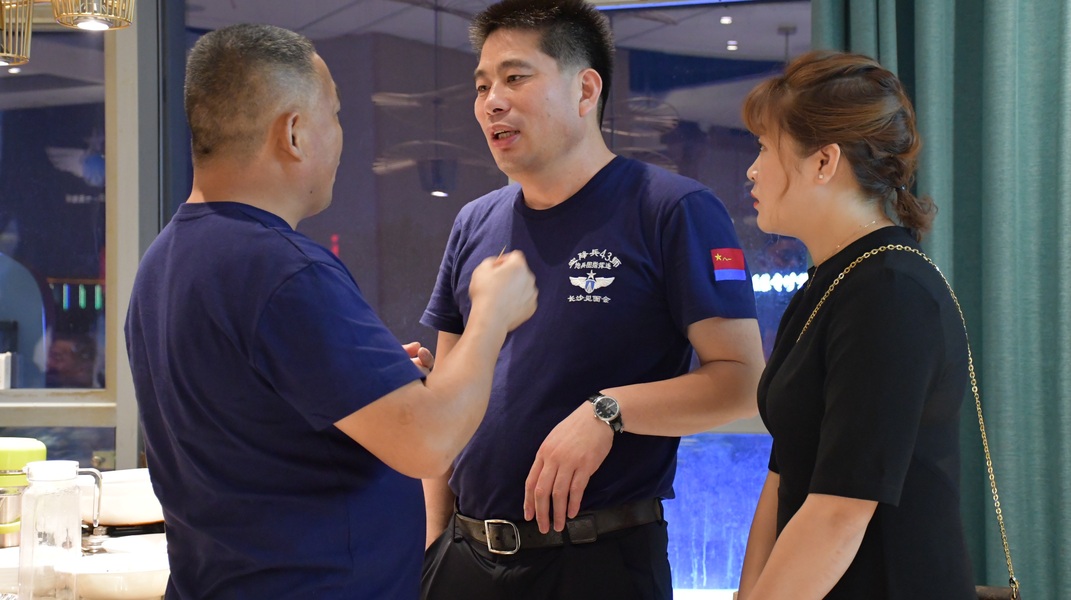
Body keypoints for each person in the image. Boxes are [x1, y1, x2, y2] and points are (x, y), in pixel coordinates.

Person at [124, 24, 537, 599]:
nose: (341, 137)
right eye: (335, 115)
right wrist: (490, 314)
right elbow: (429, 441)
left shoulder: (165, 258)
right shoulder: (283, 269)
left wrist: (371, 385)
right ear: (293, 133)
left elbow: (254, 420)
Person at [419, 1, 765, 598]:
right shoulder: (474, 222)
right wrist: (434, 542)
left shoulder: (671, 209)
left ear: (585, 90)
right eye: (482, 86)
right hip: (463, 557)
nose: (492, 101)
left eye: (515, 77)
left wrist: (609, 410)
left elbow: (740, 380)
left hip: (597, 559)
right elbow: (447, 400)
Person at [736, 50, 975, 599]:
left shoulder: (890, 291)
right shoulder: (830, 282)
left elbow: (838, 514)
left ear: (824, 161)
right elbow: (784, 476)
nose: (752, 169)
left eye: (765, 147)